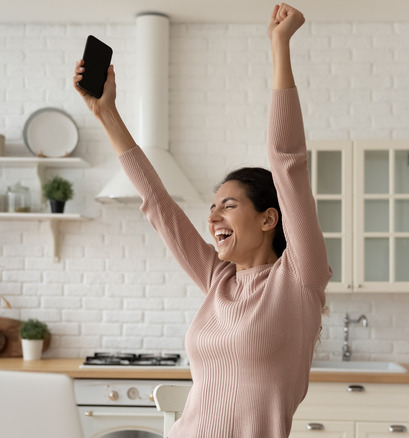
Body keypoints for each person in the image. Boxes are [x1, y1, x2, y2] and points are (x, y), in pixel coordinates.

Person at [73, 3, 331, 437]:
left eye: (228, 205)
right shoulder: (219, 278)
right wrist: (105, 113)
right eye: (212, 207)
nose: (213, 218)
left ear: (270, 219)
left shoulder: (299, 279)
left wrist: (279, 46)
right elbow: (158, 204)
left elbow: (288, 163)